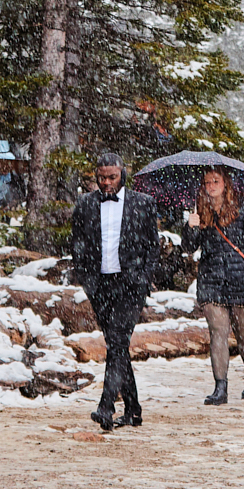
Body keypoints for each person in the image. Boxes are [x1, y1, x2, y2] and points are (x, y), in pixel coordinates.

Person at [70, 152, 161, 430]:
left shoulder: (143, 204)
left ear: (123, 174)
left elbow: (152, 247)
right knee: (117, 347)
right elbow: (77, 244)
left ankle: (106, 406)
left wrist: (143, 279)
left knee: (119, 342)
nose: (106, 183)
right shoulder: (85, 204)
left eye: (112, 177)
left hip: (131, 285)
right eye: (102, 177)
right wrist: (87, 280)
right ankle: (133, 410)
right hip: (100, 285)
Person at [186, 167, 244, 404]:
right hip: (211, 280)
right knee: (218, 333)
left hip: (241, 280)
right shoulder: (199, 209)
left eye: (216, 181)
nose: (211, 186)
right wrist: (191, 226)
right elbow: (189, 247)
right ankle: (220, 387)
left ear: (225, 182)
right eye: (207, 182)